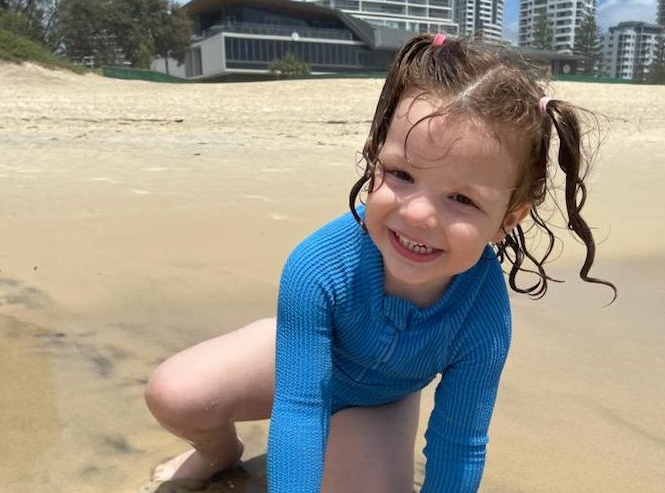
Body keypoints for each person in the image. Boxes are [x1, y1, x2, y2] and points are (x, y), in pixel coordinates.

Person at [144, 33, 616, 493]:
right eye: (402, 175)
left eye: (461, 199)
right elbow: (299, 409)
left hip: (382, 401)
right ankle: (216, 454)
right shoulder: (318, 266)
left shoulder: (484, 316)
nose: (416, 213)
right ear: (375, 162)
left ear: (506, 220)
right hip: (300, 357)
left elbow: (460, 441)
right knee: (177, 393)